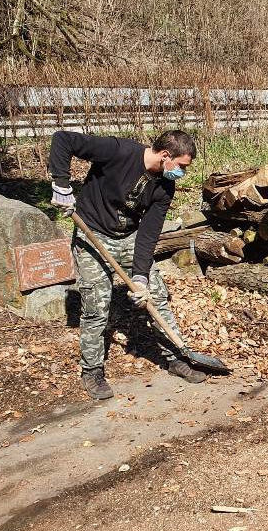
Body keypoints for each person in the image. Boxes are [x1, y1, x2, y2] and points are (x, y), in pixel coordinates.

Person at [49, 129, 208, 400]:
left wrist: (141, 277)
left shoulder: (165, 186)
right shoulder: (117, 151)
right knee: (97, 304)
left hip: (130, 236)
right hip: (93, 232)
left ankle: (176, 357)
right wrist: (61, 185)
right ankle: (92, 371)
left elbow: (149, 233)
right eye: (181, 166)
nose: (182, 172)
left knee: (156, 296)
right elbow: (63, 139)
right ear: (166, 156)